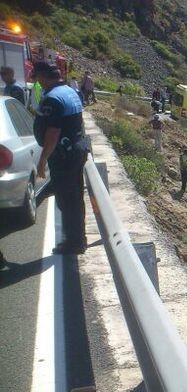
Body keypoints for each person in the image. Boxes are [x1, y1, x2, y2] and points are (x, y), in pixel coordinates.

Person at [33, 62, 90, 254]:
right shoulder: (70, 91)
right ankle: (79, 238)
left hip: (64, 155)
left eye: (37, 76)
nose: (36, 80)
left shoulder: (52, 98)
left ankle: (74, 243)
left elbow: (53, 133)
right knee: (75, 197)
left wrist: (42, 161)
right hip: (77, 149)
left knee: (66, 200)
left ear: (42, 76)